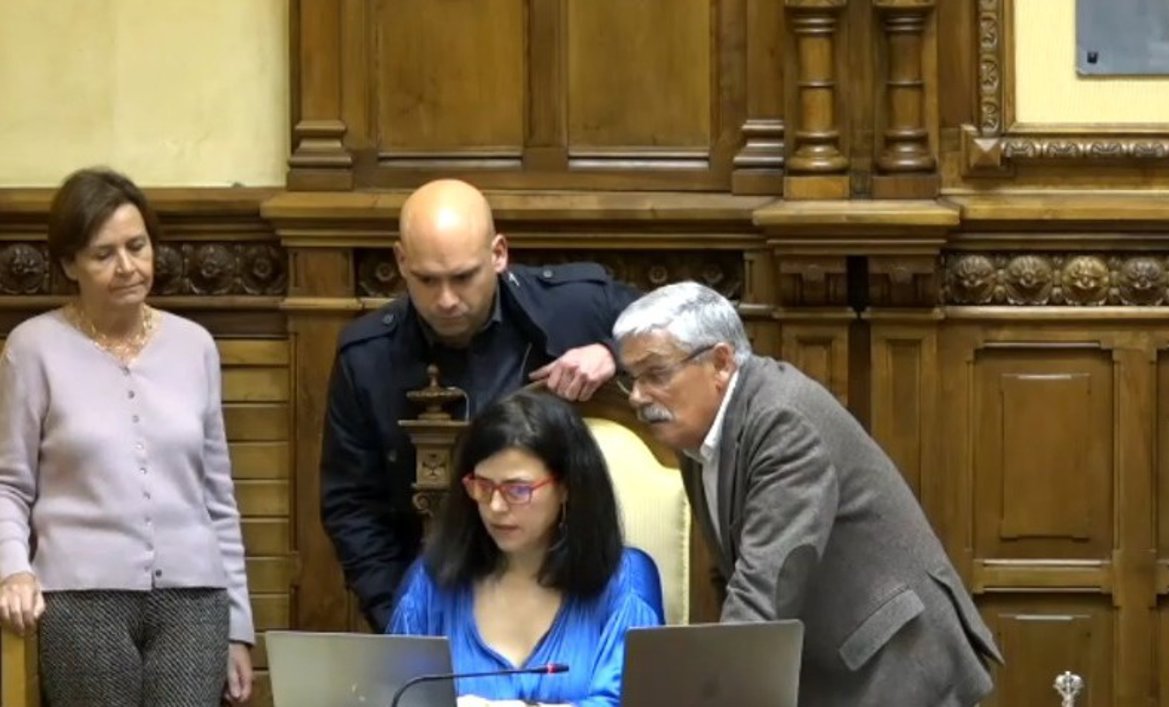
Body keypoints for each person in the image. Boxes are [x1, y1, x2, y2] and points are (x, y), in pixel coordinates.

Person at [612, 281, 1003, 707]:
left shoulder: (783, 421)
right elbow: (733, 573)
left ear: (720, 363)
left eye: (656, 374)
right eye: (632, 378)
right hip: (835, 666)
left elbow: (766, 582)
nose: (638, 397)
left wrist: (710, 693)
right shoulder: (696, 431)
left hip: (898, 664)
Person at [321, 178, 639, 631]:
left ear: (498, 254)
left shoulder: (574, 306)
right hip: (437, 596)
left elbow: (697, 328)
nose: (446, 300)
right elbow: (351, 506)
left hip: (569, 593)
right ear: (401, 262)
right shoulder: (367, 357)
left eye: (463, 277)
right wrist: (404, 622)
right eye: (427, 280)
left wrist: (614, 351)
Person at [0, 167, 254, 706]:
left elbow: (218, 497)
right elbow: (9, 485)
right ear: (69, 264)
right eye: (103, 254)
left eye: (137, 246)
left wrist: (238, 628)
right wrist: (13, 571)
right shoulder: (32, 348)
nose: (127, 267)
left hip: (195, 602)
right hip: (79, 600)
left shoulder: (195, 345)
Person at [387, 389, 662, 706]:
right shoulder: (432, 578)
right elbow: (394, 695)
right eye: (483, 486)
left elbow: (630, 702)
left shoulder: (625, 578)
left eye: (517, 490)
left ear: (566, 487)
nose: (496, 506)